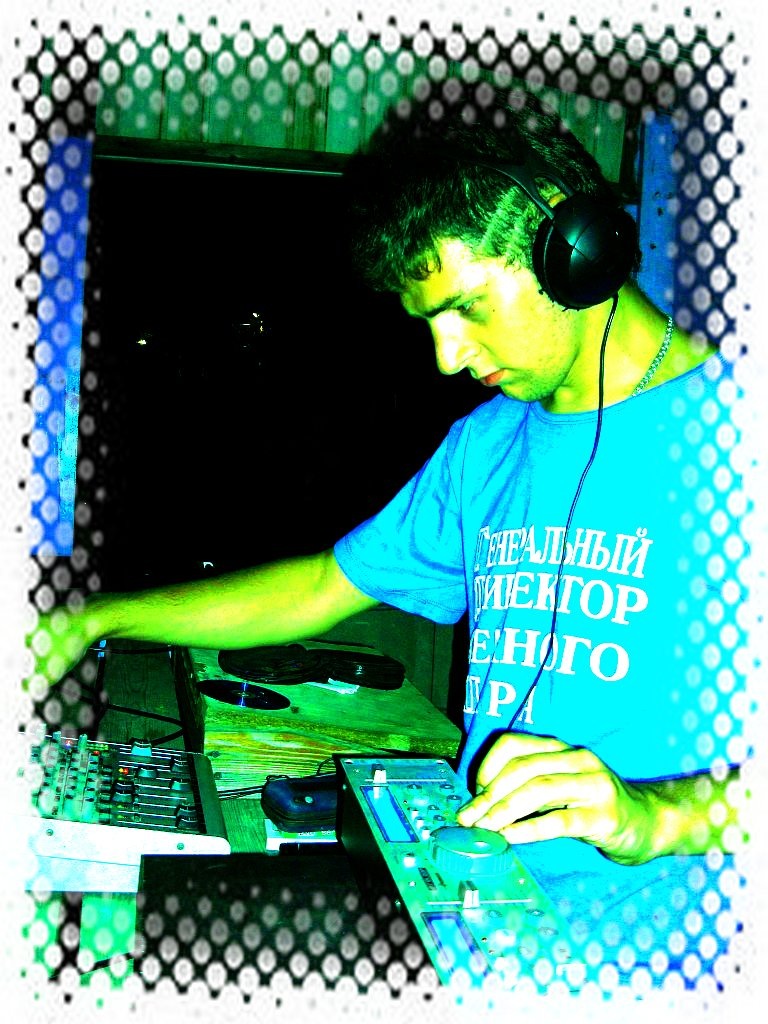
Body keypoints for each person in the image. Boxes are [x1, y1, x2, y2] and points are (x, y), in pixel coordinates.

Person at [29, 84, 747, 992]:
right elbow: (323, 585)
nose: (447, 355)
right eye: (428, 322)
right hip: (471, 933)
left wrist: (651, 816)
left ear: (574, 247)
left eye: (468, 306)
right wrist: (95, 618)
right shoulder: (485, 445)